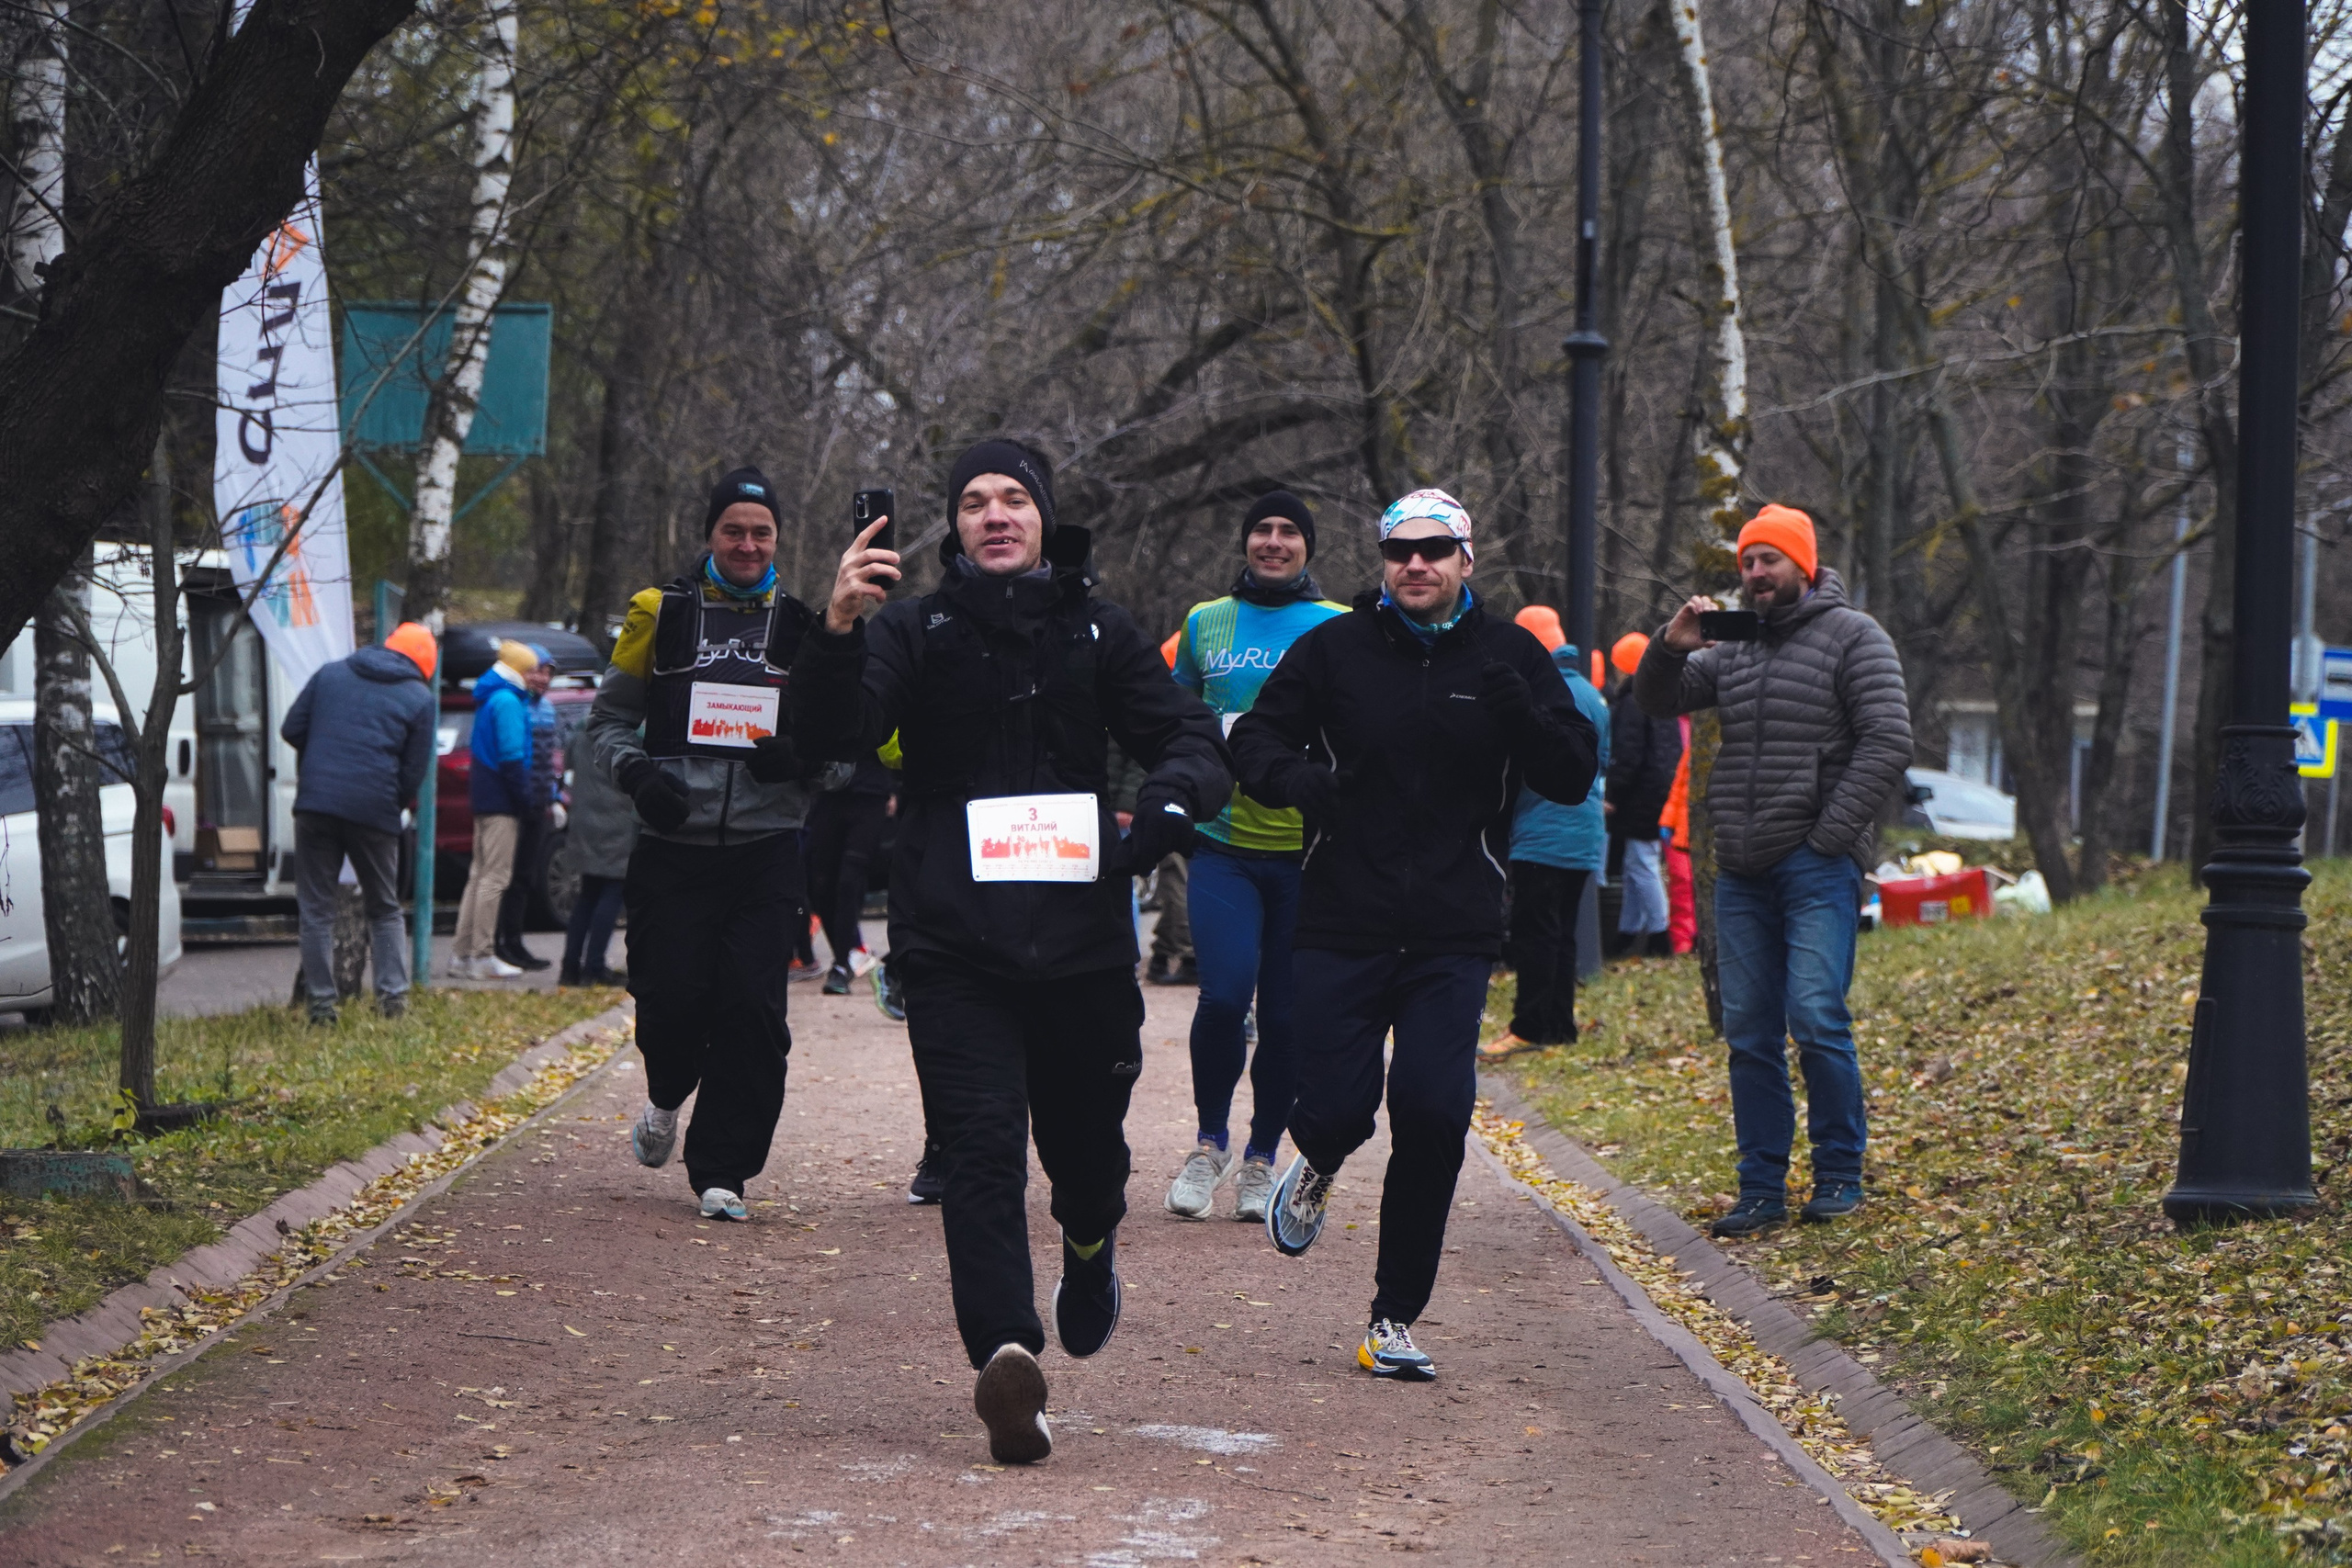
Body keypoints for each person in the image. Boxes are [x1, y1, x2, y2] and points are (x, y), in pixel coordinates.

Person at [792, 438, 1228, 1464]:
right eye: (976, 503)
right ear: (954, 527)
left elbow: (1189, 739)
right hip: (953, 944)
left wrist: (1165, 808)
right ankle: (1005, 1360)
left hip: (1078, 945)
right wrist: (837, 630)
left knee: (1083, 1159)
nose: (995, 515)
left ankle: (1088, 1241)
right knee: (980, 1155)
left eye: (1014, 501)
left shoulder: (1098, 628)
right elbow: (826, 744)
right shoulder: (910, 628)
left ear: (1040, 520)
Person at [1230, 489, 1599, 1382]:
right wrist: (1299, 781)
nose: (1417, 566)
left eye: (1435, 551)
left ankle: (1392, 1315)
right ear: (1383, 561)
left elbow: (1572, 768)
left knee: (1434, 1112)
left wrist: (1522, 714)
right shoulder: (1334, 650)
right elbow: (1252, 742)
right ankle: (1316, 1156)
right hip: (1341, 918)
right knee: (1342, 1108)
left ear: (1467, 560)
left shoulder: (1510, 654)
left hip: (1452, 928)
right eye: (1400, 552)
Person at [1634, 503, 1911, 1238]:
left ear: (1804, 565)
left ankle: (1839, 1175)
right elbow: (1658, 700)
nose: (1755, 574)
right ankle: (1760, 1187)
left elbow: (1889, 740)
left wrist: (1828, 836)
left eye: (1769, 561)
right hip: (1742, 869)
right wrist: (1670, 644)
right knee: (1749, 1030)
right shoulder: (1738, 647)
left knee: (1817, 1015)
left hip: (1814, 865)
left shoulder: (1856, 636)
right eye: (1747, 563)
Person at [587, 465, 830, 1223]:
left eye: (762, 532)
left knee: (753, 1013)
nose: (749, 544)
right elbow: (605, 723)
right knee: (671, 1005)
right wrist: (637, 775)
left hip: (766, 848)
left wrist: (803, 759)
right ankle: (665, 1096)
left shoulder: (808, 628)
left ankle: (723, 1168)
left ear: (779, 540)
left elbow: (845, 744)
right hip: (673, 845)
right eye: (735, 530)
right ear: (710, 535)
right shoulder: (659, 613)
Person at [1162, 489, 1344, 1223]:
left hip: (1307, 854)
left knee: (1289, 1014)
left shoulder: (1339, 628)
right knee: (1225, 995)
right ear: (1246, 543)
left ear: (1308, 547)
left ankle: (1263, 1159)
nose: (1273, 542)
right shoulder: (1207, 622)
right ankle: (1210, 1145)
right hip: (1224, 844)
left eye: (1288, 532)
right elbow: (1172, 719)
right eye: (1261, 530)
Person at [280, 622, 438, 1022]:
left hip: (316, 806)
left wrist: (324, 756)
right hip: (374, 811)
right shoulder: (419, 697)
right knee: (384, 907)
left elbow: (291, 728)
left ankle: (321, 1007)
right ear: (424, 664)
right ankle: (393, 1004)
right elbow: (413, 771)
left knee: (316, 910)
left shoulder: (330, 673)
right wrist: (392, 803)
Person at [1483, 605, 1610, 1058]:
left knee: (1535, 932)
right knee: (1562, 933)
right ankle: (1559, 1025)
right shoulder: (1593, 694)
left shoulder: (1541, 692)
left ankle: (1530, 1027)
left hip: (1543, 830)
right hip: (1585, 832)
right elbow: (1603, 760)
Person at [451, 639, 537, 980]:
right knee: (496, 878)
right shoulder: (508, 702)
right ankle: (482, 954)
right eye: (530, 669)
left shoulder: (490, 698)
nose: (535, 676)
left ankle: (461, 954)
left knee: (478, 877)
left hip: (484, 797)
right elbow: (512, 756)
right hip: (502, 800)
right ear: (517, 670)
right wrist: (524, 801)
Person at [1606, 630, 1681, 958]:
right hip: (1657, 792)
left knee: (1641, 865)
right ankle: (1630, 931)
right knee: (1639, 862)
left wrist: (1614, 794)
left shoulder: (1631, 701)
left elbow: (1627, 754)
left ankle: (1659, 933)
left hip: (1639, 797)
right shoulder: (1658, 698)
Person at [559, 703, 635, 986]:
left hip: (584, 820)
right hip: (618, 821)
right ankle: (594, 967)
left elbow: (568, 766)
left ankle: (570, 967)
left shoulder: (580, 730)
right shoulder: (628, 732)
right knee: (611, 894)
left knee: (587, 894)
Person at [804, 751, 893, 993]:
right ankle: (848, 955)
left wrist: (895, 787)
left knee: (849, 881)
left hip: (870, 792)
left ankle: (842, 965)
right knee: (821, 886)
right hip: (828, 791)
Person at [495, 648, 559, 972]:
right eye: (536, 671)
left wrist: (553, 796)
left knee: (525, 877)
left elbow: (546, 760)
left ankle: (514, 940)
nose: (542, 678)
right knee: (502, 876)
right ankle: (498, 943)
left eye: (547, 672)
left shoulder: (547, 709)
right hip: (514, 803)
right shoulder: (515, 706)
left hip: (538, 803)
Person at [1661, 715, 1697, 954]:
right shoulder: (1695, 751)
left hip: (1684, 829)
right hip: (1681, 830)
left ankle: (1686, 942)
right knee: (1682, 887)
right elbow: (1678, 787)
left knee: (1685, 888)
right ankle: (1683, 943)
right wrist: (1667, 821)